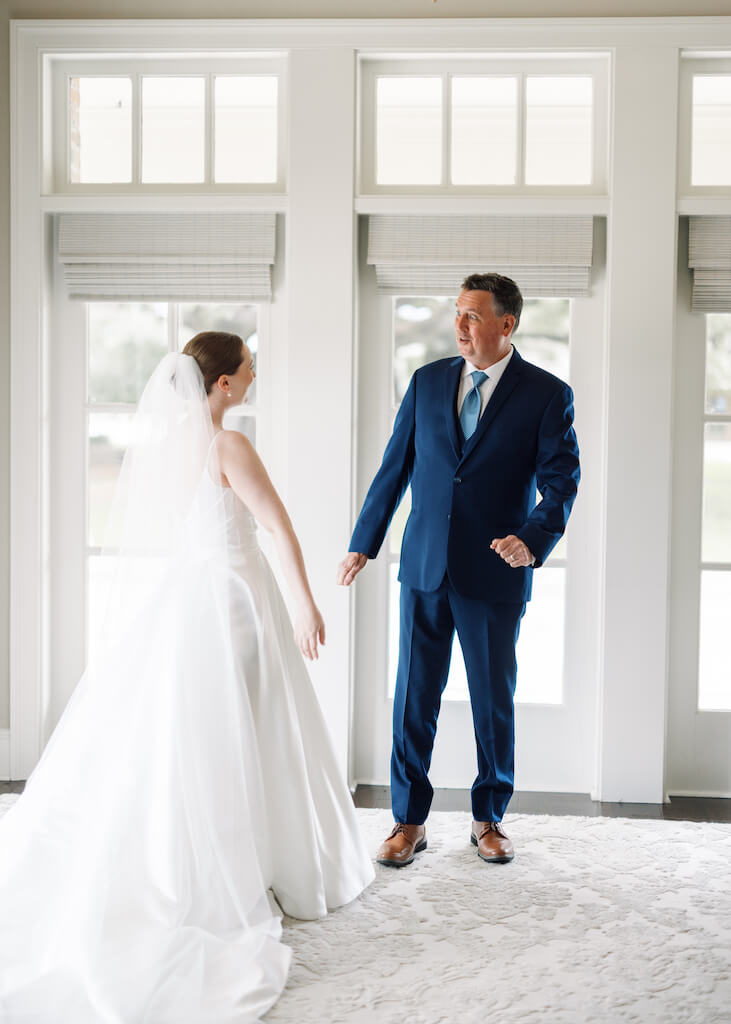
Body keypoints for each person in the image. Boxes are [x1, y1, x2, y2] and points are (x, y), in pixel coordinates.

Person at [0, 332, 374, 1022]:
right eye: (247, 367)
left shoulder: (168, 446)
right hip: (234, 599)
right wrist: (303, 604)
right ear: (222, 385)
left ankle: (193, 853)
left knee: (191, 734)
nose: (255, 372)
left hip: (186, 598)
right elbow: (277, 528)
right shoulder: (227, 444)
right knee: (249, 725)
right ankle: (254, 862)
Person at [337, 273, 580, 868]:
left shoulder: (547, 394)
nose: (461, 326)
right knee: (414, 696)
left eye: (473, 315)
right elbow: (394, 468)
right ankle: (408, 821)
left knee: (491, 698)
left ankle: (488, 819)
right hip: (423, 566)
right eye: (457, 314)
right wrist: (364, 541)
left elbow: (562, 481)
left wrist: (532, 537)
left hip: (496, 570)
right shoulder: (427, 382)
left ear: (507, 323)